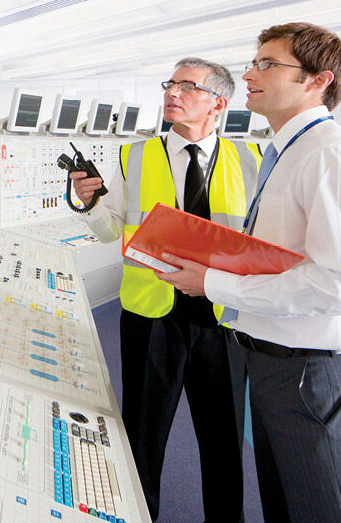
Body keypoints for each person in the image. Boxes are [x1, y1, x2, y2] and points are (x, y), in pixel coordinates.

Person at [154, 23, 341, 523]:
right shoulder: (287, 151)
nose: (248, 73)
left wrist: (212, 283)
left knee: (333, 512)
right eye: (254, 61)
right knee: (289, 510)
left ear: (318, 80)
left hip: (314, 374)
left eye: (267, 64)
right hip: (274, 366)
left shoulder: (335, 156)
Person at [70, 57, 261, 522]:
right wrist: (90, 202)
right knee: (143, 435)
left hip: (222, 320)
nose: (173, 93)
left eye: (187, 86)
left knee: (223, 439)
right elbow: (107, 228)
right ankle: (139, 515)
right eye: (170, 84)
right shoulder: (135, 156)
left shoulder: (253, 159)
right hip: (151, 314)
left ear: (218, 102)